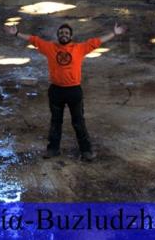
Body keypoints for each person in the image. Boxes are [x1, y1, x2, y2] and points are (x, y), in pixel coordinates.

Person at [7, 19, 125, 161]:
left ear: (71, 36)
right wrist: (17, 33)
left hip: (74, 91)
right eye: (61, 32)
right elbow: (34, 40)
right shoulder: (50, 48)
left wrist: (113, 33)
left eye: (67, 33)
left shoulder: (79, 48)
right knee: (55, 122)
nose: (64, 34)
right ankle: (53, 149)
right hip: (56, 91)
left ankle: (86, 151)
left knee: (78, 122)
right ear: (58, 35)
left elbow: (97, 41)